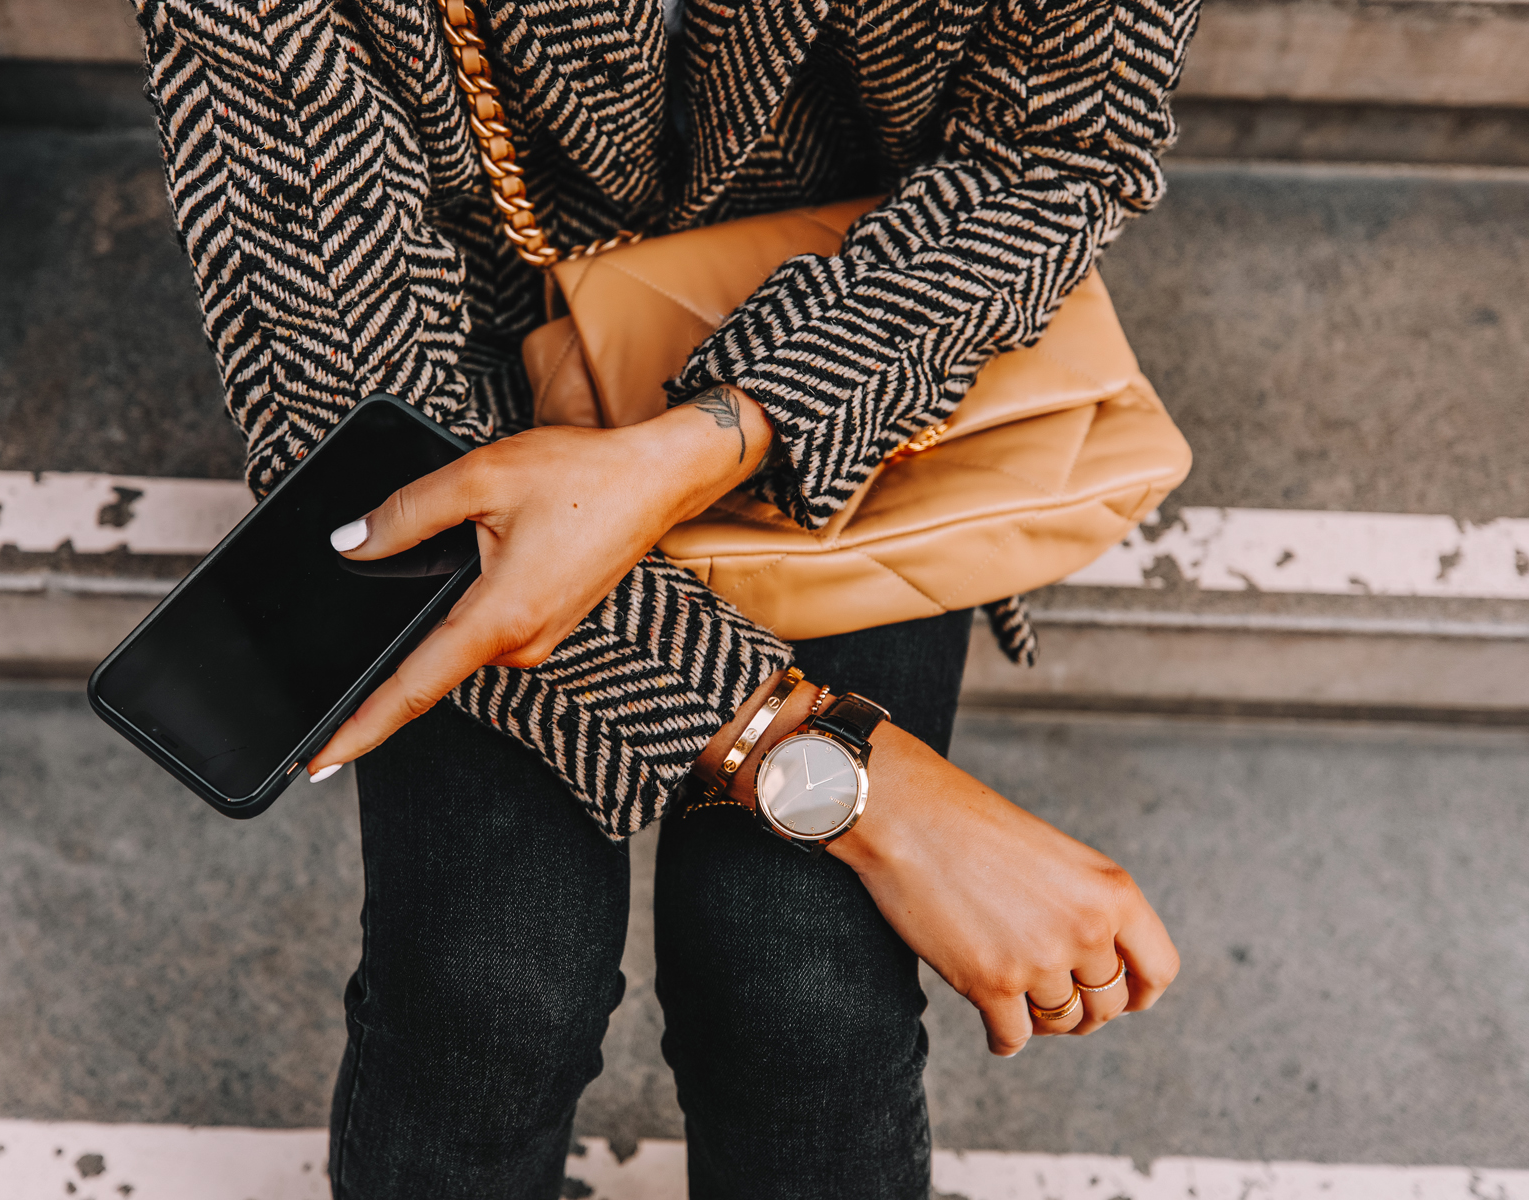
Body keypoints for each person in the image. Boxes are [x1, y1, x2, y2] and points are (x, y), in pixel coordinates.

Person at [134, 0, 1193, 1194]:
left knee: (806, 992)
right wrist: (835, 766)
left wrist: (703, 442)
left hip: (864, 331)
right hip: (464, 395)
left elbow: (1055, 153)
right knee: (484, 993)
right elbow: (350, 398)